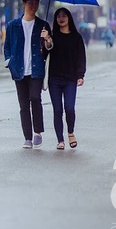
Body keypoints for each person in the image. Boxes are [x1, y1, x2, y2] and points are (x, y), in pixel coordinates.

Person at [4, 0, 53, 149]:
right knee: (23, 105)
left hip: (36, 69)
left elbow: (49, 49)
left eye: (36, 3)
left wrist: (47, 39)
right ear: (24, 4)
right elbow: (7, 46)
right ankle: (27, 138)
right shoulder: (13, 25)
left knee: (35, 98)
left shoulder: (43, 25)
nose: (33, 5)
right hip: (18, 70)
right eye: (30, 2)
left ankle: (37, 132)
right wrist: (9, 62)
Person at [47, 8, 86, 150]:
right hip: (54, 79)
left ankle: (70, 132)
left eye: (64, 16)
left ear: (69, 18)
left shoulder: (77, 37)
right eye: (58, 16)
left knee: (69, 108)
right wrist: (46, 40)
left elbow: (81, 58)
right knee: (57, 109)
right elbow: (45, 52)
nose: (61, 19)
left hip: (70, 79)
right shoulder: (52, 36)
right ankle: (60, 140)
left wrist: (80, 75)